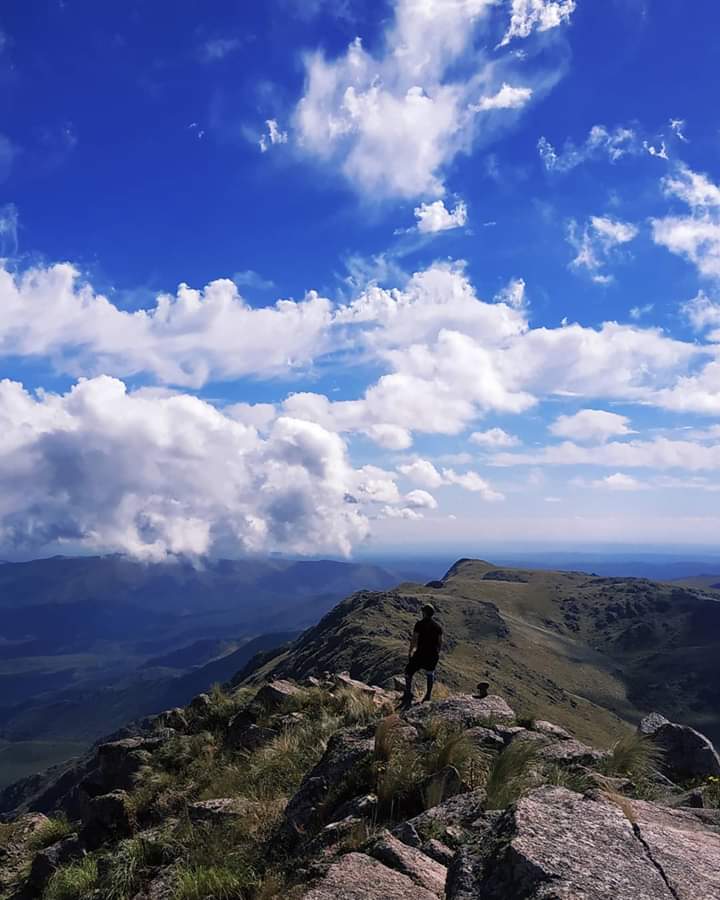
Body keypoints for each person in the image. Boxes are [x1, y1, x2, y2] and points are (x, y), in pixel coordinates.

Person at [401, 603, 443, 708]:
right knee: (430, 673)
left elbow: (414, 640)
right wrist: (436, 652)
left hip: (421, 654)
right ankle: (428, 695)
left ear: (424, 613)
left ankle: (408, 693)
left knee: (408, 672)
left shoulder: (419, 624)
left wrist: (410, 652)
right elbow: (440, 642)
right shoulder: (438, 627)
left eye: (423, 611)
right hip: (432, 655)